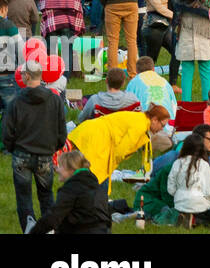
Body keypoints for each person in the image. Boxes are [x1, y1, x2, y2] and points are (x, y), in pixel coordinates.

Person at [3, 61, 65, 232]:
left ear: (27, 76)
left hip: (21, 155)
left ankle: (29, 229)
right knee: (46, 195)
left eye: (23, 74)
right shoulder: (54, 99)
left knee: (24, 197)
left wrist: (12, 148)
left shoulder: (16, 101)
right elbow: (61, 130)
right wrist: (54, 147)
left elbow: (7, 132)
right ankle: (49, 229)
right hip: (45, 154)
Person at [28, 148, 112, 235]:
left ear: (71, 169)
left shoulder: (71, 189)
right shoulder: (97, 187)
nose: (57, 169)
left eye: (60, 166)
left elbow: (53, 217)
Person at [76, 68, 141, 122]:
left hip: (101, 134)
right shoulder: (132, 98)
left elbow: (81, 119)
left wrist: (82, 110)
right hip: (124, 135)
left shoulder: (95, 100)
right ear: (123, 83)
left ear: (106, 81)